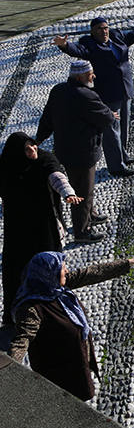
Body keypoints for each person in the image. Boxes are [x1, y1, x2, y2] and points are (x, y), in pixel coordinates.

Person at [6, 248, 134, 400]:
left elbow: (93, 272)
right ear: (49, 273)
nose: (67, 271)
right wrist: (8, 371)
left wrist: (132, 262)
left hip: (76, 363)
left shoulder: (56, 285)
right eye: (63, 269)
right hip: (59, 376)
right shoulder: (31, 309)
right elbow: (21, 340)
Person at [53, 13, 134, 176]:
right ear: (92, 32)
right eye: (99, 29)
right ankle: (116, 166)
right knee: (111, 130)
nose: (104, 32)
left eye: (105, 28)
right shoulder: (88, 44)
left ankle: (123, 155)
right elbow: (77, 50)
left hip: (124, 89)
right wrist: (64, 44)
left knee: (123, 126)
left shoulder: (117, 37)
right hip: (107, 94)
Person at [1, 133, 82, 322]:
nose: (32, 150)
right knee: (21, 270)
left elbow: (56, 176)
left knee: (51, 265)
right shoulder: (7, 167)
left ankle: (54, 307)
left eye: (33, 146)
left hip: (44, 225)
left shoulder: (45, 160)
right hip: (19, 229)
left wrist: (67, 193)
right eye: (26, 148)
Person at [35, 60, 118, 243]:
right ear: (80, 77)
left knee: (83, 186)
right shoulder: (86, 96)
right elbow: (104, 118)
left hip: (65, 150)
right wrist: (111, 115)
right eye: (90, 74)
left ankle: (91, 213)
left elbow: (47, 117)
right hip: (83, 153)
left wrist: (39, 139)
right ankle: (82, 231)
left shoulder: (58, 90)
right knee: (82, 190)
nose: (94, 76)